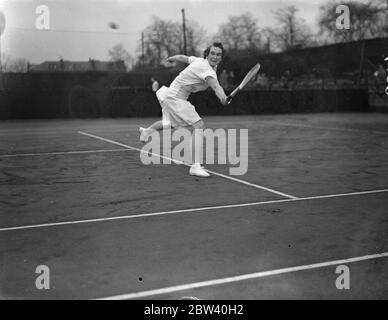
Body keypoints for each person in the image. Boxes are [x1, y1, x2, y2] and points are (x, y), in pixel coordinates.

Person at [139, 42, 228, 177]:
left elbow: (183, 58)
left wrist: (172, 58)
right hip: (176, 98)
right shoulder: (207, 70)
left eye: (218, 54)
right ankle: (195, 166)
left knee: (169, 124)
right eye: (213, 53)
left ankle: (147, 131)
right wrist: (223, 97)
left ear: (221, 58)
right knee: (199, 126)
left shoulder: (199, 61)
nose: (215, 57)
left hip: (171, 95)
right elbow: (215, 86)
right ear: (207, 54)